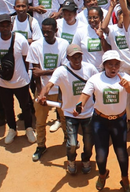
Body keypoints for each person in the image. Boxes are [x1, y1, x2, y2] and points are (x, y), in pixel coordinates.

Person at [78, 50, 130, 192]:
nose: (113, 67)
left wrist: (126, 86)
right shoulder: (95, 79)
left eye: (116, 64)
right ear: (104, 65)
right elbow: (85, 94)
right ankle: (102, 174)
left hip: (119, 122)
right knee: (101, 155)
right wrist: (80, 104)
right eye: (110, 64)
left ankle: (125, 179)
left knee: (122, 153)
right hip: (100, 122)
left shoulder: (125, 77)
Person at [38, 44, 97, 175]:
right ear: (68, 58)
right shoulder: (61, 71)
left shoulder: (90, 69)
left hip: (88, 113)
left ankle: (86, 159)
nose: (77, 60)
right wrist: (43, 95)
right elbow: (49, 84)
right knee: (71, 143)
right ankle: (71, 161)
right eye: (73, 58)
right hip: (70, 113)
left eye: (79, 57)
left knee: (88, 142)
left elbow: (98, 86)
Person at [0, 13, 35, 144]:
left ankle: (29, 128)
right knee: (8, 108)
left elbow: (26, 58)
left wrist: (25, 75)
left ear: (11, 25)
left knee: (25, 107)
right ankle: (12, 129)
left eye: (7, 25)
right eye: (1, 25)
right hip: (3, 83)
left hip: (21, 81)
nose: (5, 28)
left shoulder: (20, 39)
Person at [27, 18, 68, 161]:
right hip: (43, 90)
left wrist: (44, 72)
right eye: (43, 32)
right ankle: (41, 146)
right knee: (40, 121)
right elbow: (35, 74)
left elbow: (64, 71)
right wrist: (41, 93)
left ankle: (68, 141)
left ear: (56, 31)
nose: (45, 35)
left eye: (49, 32)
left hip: (61, 89)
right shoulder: (35, 46)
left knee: (65, 118)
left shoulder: (63, 44)